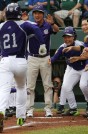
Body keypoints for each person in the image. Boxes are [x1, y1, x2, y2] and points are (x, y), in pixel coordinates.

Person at [0, 2, 45, 132]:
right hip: (21, 61)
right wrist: (42, 44)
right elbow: (37, 28)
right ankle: (20, 116)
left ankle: (1, 110)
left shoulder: (1, 25)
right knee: (21, 87)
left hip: (6, 60)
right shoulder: (25, 25)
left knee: (4, 89)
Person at [49, 26, 88, 116]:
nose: (67, 39)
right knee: (66, 87)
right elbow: (54, 58)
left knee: (83, 85)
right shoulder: (62, 47)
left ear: (74, 36)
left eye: (69, 36)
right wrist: (47, 61)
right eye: (65, 37)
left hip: (86, 67)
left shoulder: (79, 44)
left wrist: (87, 64)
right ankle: (73, 108)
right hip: (75, 69)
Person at [26, 5, 59, 117]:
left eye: (39, 13)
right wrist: (24, 21)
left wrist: (52, 23)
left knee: (47, 85)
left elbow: (57, 30)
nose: (37, 15)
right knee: (30, 85)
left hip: (45, 58)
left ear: (43, 14)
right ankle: (29, 109)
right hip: (32, 57)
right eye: (35, 13)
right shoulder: (29, 25)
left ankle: (48, 108)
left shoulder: (47, 24)